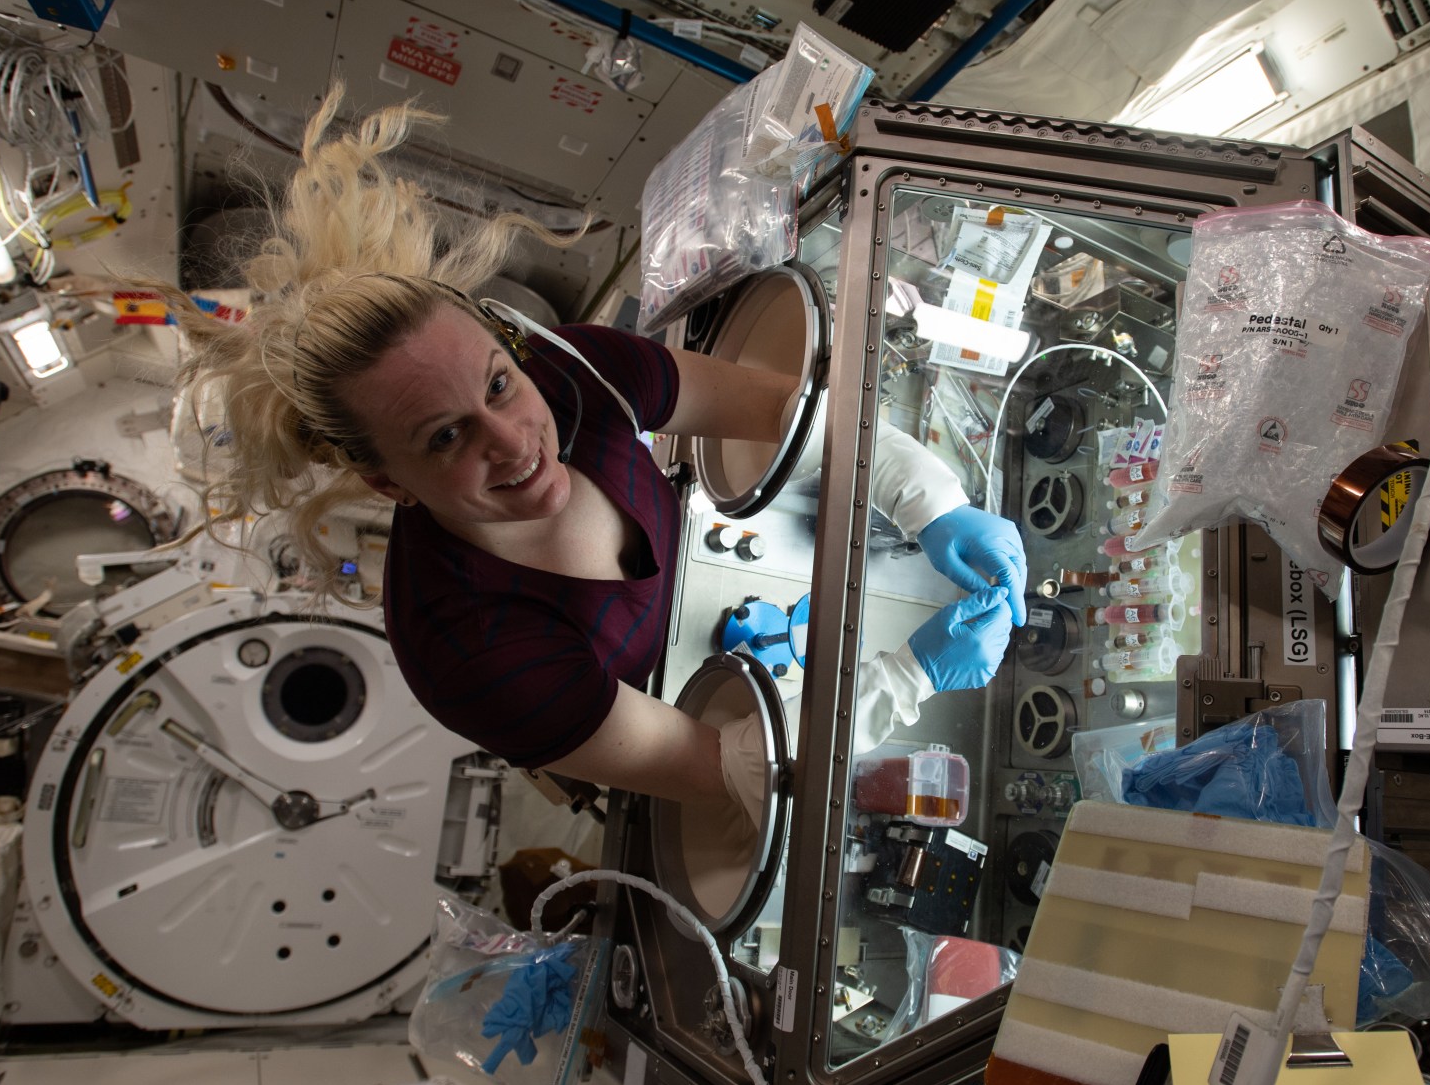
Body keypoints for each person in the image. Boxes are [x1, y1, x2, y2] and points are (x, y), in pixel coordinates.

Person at [169, 89, 1027, 825]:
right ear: (387, 481)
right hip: (685, 727)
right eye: (444, 438)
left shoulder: (577, 375)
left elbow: (789, 414)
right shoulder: (472, 650)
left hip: (752, 627)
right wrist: (908, 677)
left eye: (498, 386)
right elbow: (726, 769)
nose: (513, 444)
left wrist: (931, 500)